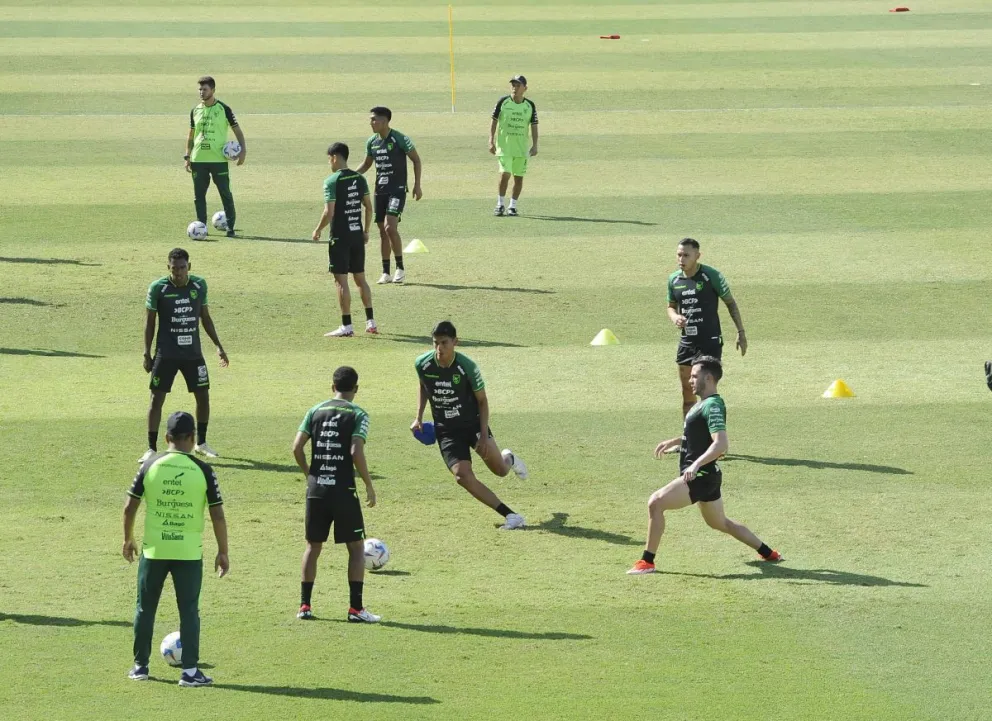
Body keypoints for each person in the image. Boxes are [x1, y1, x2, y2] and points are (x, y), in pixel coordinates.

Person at [627, 357, 781, 575]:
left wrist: (696, 465)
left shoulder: (712, 406)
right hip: (707, 477)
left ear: (708, 378)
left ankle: (647, 562)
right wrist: (676, 441)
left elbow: (721, 444)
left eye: (694, 376)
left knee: (656, 502)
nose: (690, 380)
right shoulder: (704, 404)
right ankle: (769, 553)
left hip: (700, 476)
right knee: (721, 523)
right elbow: (700, 436)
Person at [123, 411, 229, 686]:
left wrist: (128, 538)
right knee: (189, 611)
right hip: (188, 553)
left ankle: (140, 667)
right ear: (193, 438)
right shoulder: (203, 470)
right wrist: (223, 551)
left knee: (145, 609)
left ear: (166, 437)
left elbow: (130, 507)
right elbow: (218, 515)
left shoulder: (150, 465)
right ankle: (190, 672)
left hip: (154, 551)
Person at [412, 321, 529, 529]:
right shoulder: (422, 363)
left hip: (472, 424)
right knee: (462, 476)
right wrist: (418, 417)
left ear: (455, 342)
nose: (439, 348)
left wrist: (483, 435)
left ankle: (509, 458)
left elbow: (482, 401)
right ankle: (511, 516)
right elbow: (424, 386)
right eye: (435, 343)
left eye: (444, 343)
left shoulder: (467, 366)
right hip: (446, 429)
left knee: (500, 471)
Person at [292, 366, 380, 623]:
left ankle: (304, 606)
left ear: (333, 387)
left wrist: (310, 474)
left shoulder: (315, 410)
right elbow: (355, 451)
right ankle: (355, 609)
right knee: (356, 548)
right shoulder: (359, 414)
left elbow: (296, 448)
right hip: (343, 491)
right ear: (356, 388)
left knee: (313, 547)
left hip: (316, 490)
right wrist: (368, 484)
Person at [141, 248, 228, 462]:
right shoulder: (158, 288)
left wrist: (218, 346)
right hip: (166, 353)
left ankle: (201, 443)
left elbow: (205, 317)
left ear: (189, 266)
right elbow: (150, 322)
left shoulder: (199, 285)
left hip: (192, 354)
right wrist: (146, 353)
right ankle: (151, 448)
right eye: (174, 268)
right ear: (168, 267)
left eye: (182, 268)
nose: (178, 272)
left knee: (203, 396)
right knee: (156, 398)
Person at [667, 238, 746, 417]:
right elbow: (670, 306)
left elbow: (730, 303)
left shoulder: (711, 276)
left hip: (709, 342)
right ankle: (689, 434)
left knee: (706, 393)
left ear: (697, 256)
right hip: (687, 342)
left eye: (686, 255)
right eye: (679, 255)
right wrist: (675, 317)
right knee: (687, 394)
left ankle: (712, 431)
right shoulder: (674, 280)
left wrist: (740, 332)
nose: (681, 259)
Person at [312, 142, 377, 338]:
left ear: (334, 157)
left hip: (340, 237)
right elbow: (369, 207)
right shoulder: (359, 178)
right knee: (360, 279)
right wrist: (366, 231)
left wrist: (318, 229)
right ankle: (371, 322)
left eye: (329, 159)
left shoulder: (331, 181)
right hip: (357, 235)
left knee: (341, 282)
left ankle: (346, 325)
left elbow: (329, 212)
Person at [356, 106, 423, 285]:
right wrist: (350, 176)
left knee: (389, 227)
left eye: (374, 119)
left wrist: (417, 185)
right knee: (382, 231)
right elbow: (366, 164)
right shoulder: (372, 142)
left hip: (397, 190)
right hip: (380, 191)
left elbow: (416, 160)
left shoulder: (400, 138)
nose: (371, 123)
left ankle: (400, 268)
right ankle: (386, 272)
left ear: (385, 121)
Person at [184, 76, 246, 238]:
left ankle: (230, 227)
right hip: (198, 159)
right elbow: (191, 134)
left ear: (213, 90)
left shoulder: (224, 109)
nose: (201, 92)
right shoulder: (195, 110)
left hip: (218, 160)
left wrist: (243, 150)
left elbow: (237, 130)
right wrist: (187, 155)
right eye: (200, 89)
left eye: (204, 89)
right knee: (199, 196)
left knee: (225, 193)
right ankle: (201, 226)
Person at [489, 75, 538, 217]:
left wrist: (535, 145)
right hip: (504, 147)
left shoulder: (530, 105)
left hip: (521, 149)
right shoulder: (503, 102)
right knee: (505, 174)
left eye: (518, 85)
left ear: (525, 88)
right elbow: (494, 120)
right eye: (513, 85)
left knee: (518, 177)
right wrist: (491, 140)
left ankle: (512, 206)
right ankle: (500, 204)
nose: (515, 88)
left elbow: (534, 125)